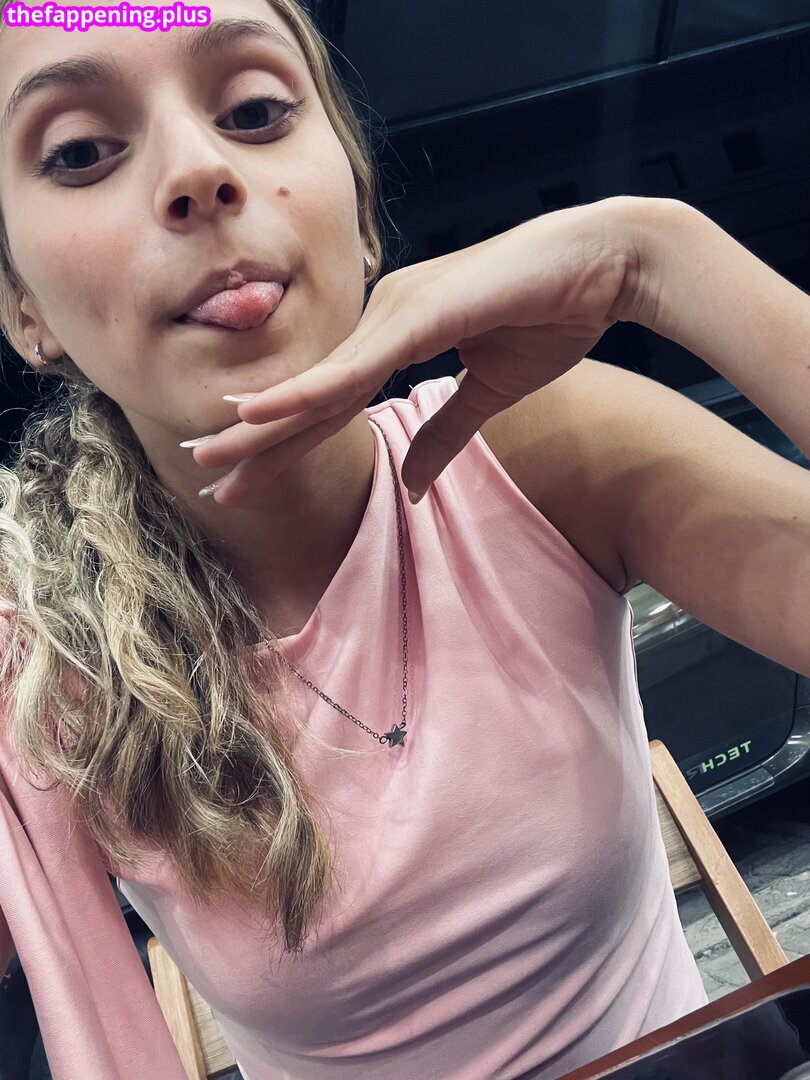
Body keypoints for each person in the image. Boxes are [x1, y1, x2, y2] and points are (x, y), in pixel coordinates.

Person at [0, 1, 808, 1078]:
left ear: (363, 214)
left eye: (255, 110)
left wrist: (658, 257)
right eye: (80, 151)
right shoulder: (44, 666)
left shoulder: (548, 453)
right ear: (24, 308)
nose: (197, 171)